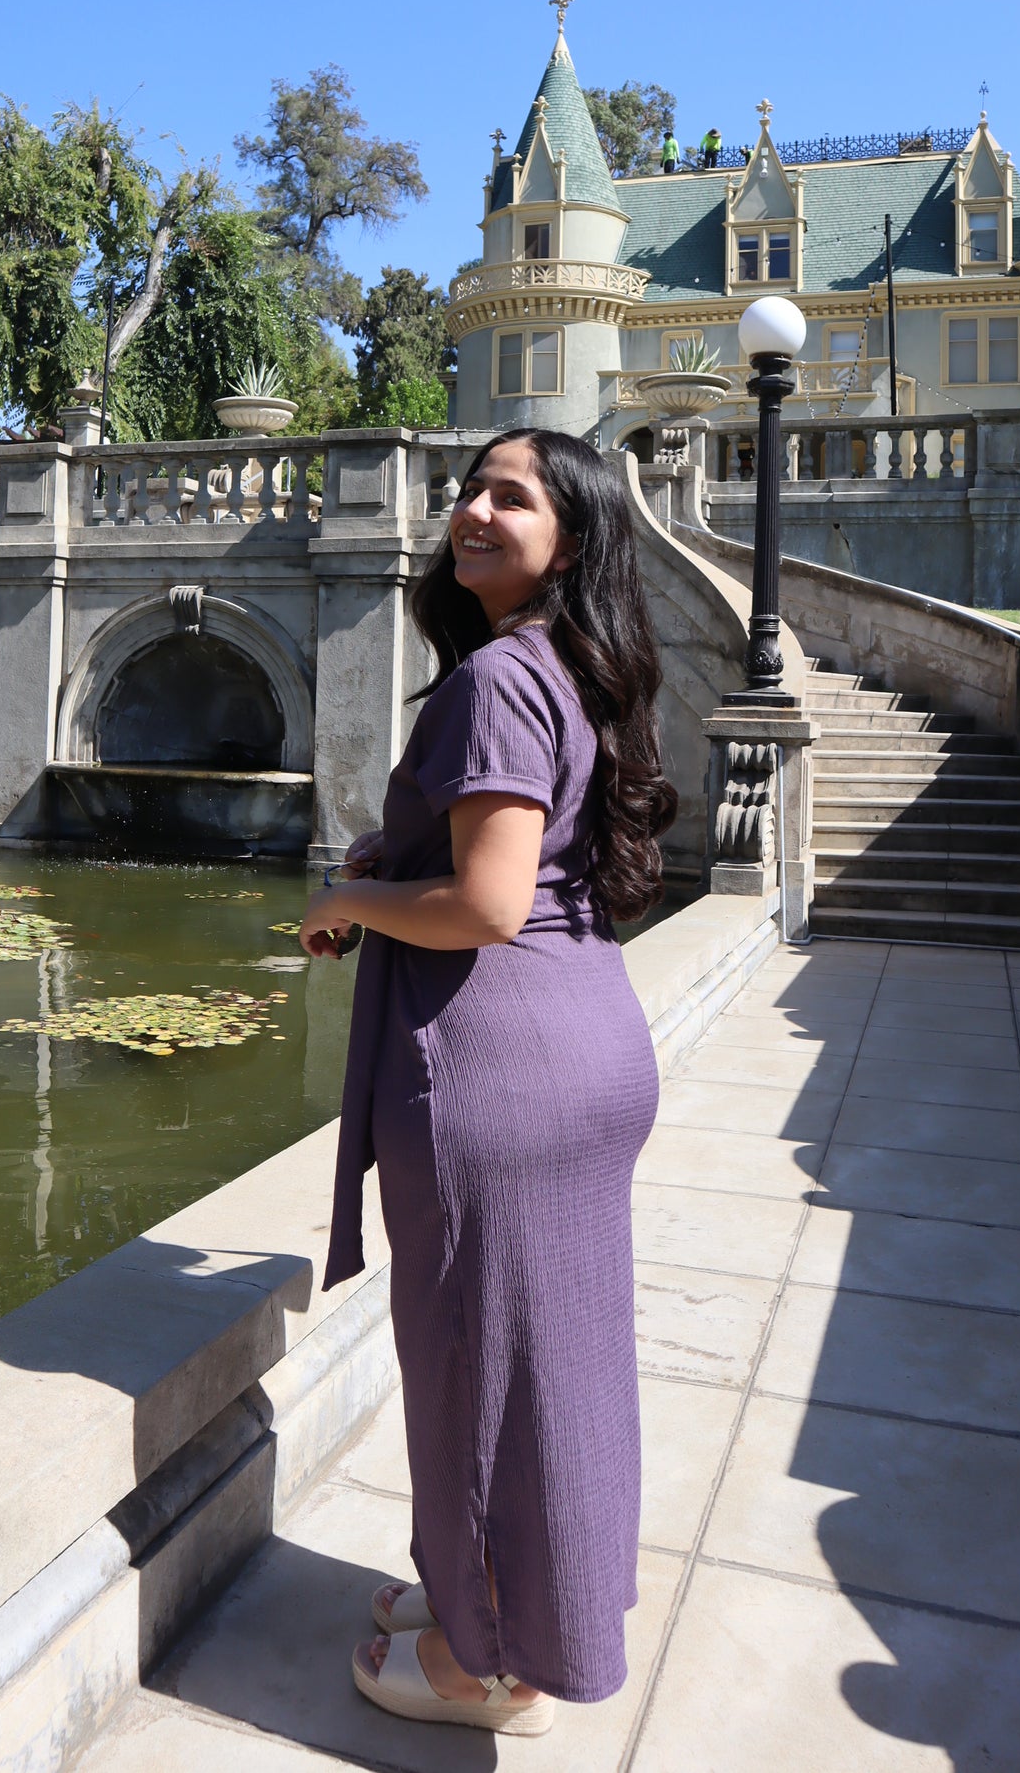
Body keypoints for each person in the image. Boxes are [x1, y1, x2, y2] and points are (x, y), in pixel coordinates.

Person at [299, 428, 678, 1738]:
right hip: (581, 1048)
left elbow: (484, 902)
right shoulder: (570, 671)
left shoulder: (500, 680)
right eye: (468, 490)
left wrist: (351, 891)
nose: (470, 510)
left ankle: (483, 1670)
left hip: (498, 1070)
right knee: (551, 1366)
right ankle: (495, 1601)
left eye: (508, 496)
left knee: (475, 1367)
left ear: (569, 537)